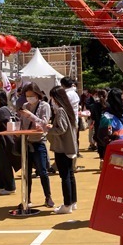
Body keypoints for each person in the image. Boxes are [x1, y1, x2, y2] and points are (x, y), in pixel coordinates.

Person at [19, 84, 54, 208]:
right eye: (27, 96)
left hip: (39, 141)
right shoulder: (24, 106)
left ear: (38, 94)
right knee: (26, 173)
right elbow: (22, 123)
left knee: (42, 171)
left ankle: (48, 197)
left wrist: (30, 115)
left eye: (31, 96)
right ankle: (26, 198)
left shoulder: (45, 106)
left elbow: (44, 123)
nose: (29, 98)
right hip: (26, 142)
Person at [47, 86, 78, 214]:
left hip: (62, 148)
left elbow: (61, 129)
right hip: (70, 147)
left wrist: (49, 129)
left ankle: (67, 204)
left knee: (64, 175)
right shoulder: (68, 109)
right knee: (70, 175)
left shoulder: (60, 110)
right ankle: (73, 202)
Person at [96, 88, 123, 170]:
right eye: (122, 99)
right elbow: (102, 136)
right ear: (116, 100)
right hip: (114, 156)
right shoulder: (107, 117)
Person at [0, 89, 17, 195]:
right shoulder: (1, 109)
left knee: (4, 164)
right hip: (0, 141)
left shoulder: (2, 110)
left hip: (4, 141)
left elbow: (0, 124)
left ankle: (10, 186)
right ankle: (2, 184)